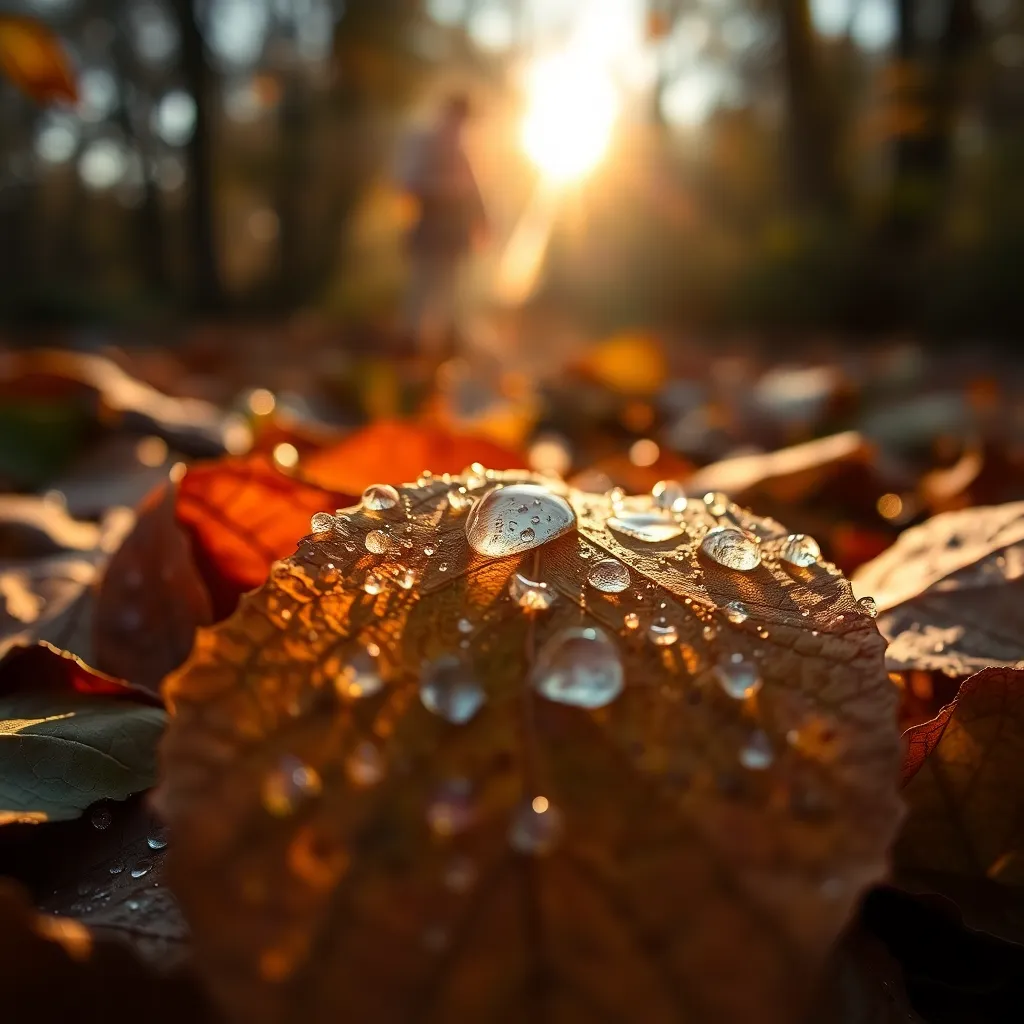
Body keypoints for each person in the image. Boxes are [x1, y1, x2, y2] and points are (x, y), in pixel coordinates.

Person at [397, 93, 489, 362]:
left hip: (453, 232)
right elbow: (408, 185)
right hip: (431, 226)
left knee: (451, 287)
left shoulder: (462, 151)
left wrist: (482, 220)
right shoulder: (425, 144)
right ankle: (413, 344)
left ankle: (447, 346)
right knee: (423, 286)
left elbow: (473, 191)